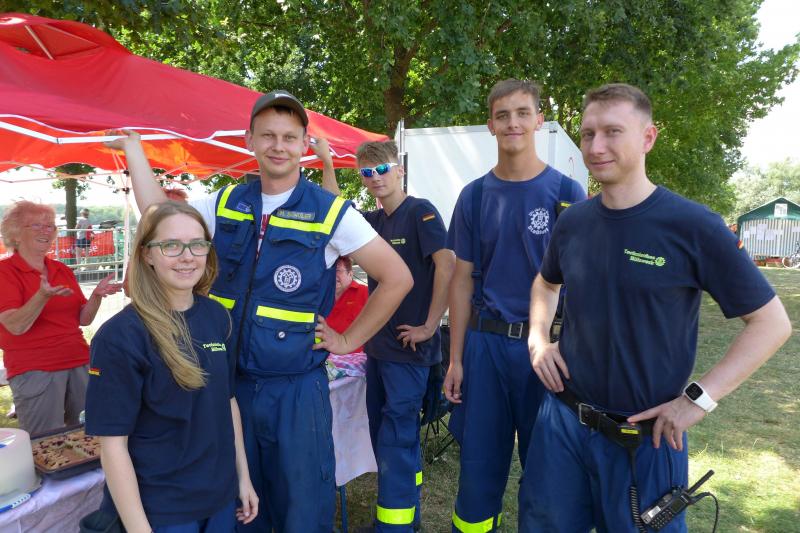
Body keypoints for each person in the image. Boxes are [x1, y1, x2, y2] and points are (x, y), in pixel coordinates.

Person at [104, 90, 413, 533]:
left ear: (305, 145)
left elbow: (397, 277)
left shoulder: (331, 212)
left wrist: (348, 339)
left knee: (302, 511)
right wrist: (136, 152)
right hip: (229, 391)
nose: (278, 146)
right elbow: (159, 216)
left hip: (295, 392)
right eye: (267, 135)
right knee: (240, 509)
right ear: (249, 140)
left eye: (289, 137)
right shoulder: (225, 202)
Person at [521, 83, 792, 532]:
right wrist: (537, 338)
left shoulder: (694, 226)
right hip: (562, 425)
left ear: (648, 137)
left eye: (613, 132)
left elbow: (771, 323)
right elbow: (546, 284)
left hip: (645, 439)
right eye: (588, 134)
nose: (596, 146)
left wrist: (698, 400)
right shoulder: (573, 222)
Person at [443, 79, 586, 532]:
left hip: (547, 352)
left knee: (547, 475)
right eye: (502, 115)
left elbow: (582, 285)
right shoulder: (474, 196)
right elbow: (460, 281)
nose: (513, 123)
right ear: (490, 125)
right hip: (485, 347)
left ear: (539, 120)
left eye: (523, 113)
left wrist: (575, 353)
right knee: (478, 471)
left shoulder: (567, 192)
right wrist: (456, 359)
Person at [86, 201, 259, 532]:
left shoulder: (217, 316)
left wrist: (243, 478)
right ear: (147, 254)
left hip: (220, 498)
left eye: (197, 244)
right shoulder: (121, 337)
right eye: (171, 245)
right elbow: (113, 446)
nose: (187, 256)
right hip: (163, 510)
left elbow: (228, 402)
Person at [324, 140, 455, 531]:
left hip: (410, 350)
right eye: (367, 172)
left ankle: (394, 526)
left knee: (396, 438)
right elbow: (333, 210)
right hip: (379, 349)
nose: (375, 177)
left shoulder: (420, 212)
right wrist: (328, 162)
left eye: (382, 169)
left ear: (399, 170)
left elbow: (447, 266)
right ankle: (407, 515)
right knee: (389, 436)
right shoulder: (373, 222)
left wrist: (431, 324)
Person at [0, 201, 121, 435]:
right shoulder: (5, 272)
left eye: (50, 226)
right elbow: (15, 326)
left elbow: (83, 319)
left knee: (89, 434)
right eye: (37, 225)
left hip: (79, 361)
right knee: (45, 441)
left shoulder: (61, 269)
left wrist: (96, 296)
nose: (46, 231)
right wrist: (41, 296)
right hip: (35, 370)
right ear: (15, 233)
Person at [326, 255, 369, 352]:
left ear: (350, 274)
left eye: (337, 270)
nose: (332, 275)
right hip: (325, 354)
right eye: (329, 271)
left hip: (358, 355)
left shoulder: (365, 293)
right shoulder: (320, 296)